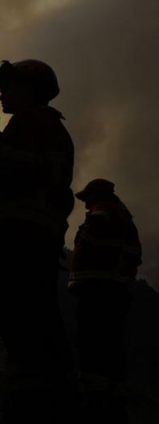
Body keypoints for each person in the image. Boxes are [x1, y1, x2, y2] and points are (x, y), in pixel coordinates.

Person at [0, 59, 75, 423]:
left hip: (19, 237)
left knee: (20, 316)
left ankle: (29, 406)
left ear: (30, 89)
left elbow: (17, 174)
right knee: (38, 315)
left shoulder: (30, 122)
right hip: (36, 237)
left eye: (8, 87)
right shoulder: (50, 127)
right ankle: (50, 401)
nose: (2, 95)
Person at [69, 179, 142, 424]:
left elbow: (96, 230)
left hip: (98, 291)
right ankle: (113, 407)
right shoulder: (123, 217)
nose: (86, 204)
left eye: (87, 198)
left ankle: (94, 406)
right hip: (115, 290)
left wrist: (84, 236)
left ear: (97, 195)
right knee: (112, 349)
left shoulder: (104, 210)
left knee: (92, 346)